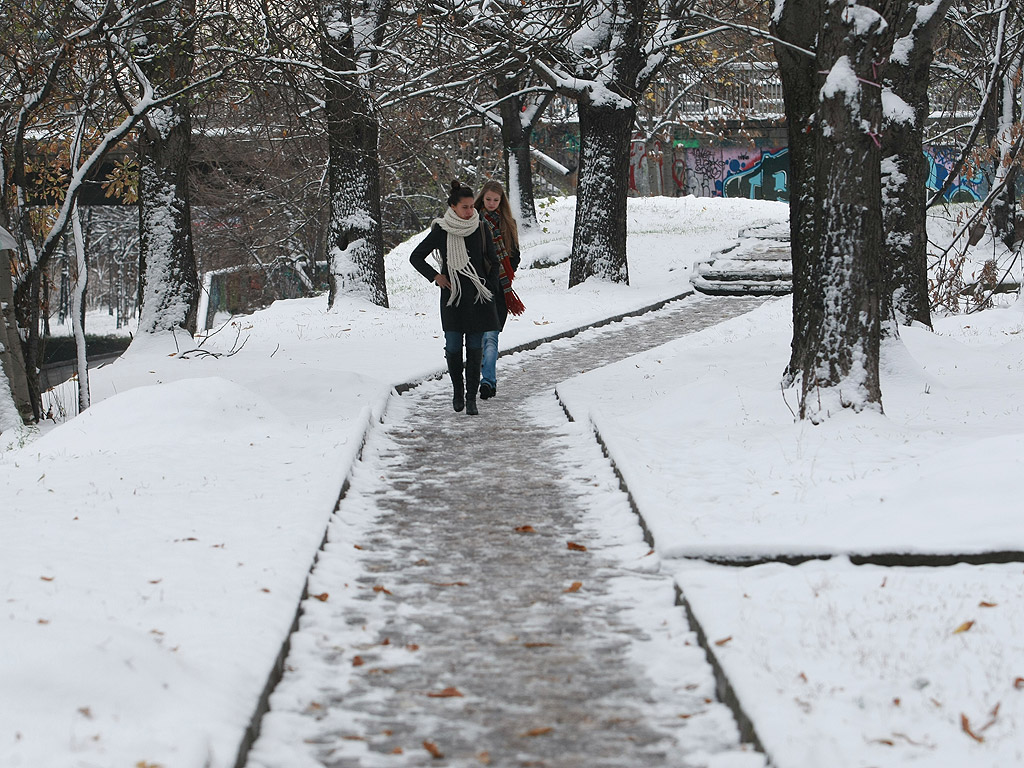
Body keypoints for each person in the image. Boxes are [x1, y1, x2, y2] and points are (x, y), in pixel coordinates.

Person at [410, 180, 500, 416]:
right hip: (453, 298)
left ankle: (471, 399)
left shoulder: (481, 227)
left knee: (474, 348)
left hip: (479, 298)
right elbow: (416, 257)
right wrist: (436, 276)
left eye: (472, 207)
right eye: (465, 207)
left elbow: (493, 260)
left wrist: (487, 284)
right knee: (452, 347)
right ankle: (458, 391)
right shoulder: (441, 230)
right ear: (453, 206)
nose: (470, 211)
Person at [473, 180, 525, 400]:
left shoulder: (508, 223)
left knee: (491, 338)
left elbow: (515, 254)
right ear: (482, 199)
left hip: (500, 289)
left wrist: (504, 273)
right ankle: (484, 379)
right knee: (480, 338)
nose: (492, 203)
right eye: (488, 199)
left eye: (496, 200)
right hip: (476, 287)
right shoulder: (472, 220)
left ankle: (487, 381)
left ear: (501, 201)